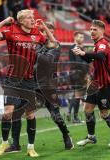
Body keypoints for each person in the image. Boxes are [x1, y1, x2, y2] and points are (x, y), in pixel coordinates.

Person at [0, 9, 56, 157]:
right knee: (8, 112)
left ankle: (31, 147)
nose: (33, 20)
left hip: (29, 81)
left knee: (30, 115)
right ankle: (4, 143)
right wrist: (5, 21)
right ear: (22, 20)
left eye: (33, 17)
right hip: (12, 80)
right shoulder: (11, 31)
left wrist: (44, 29)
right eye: (29, 18)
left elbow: (53, 44)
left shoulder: (37, 33)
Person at [72, 20, 110, 147]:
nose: (91, 31)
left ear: (102, 31)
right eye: (90, 29)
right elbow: (91, 58)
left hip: (105, 84)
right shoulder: (96, 45)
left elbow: (100, 56)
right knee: (87, 109)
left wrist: (84, 53)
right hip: (95, 83)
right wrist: (81, 54)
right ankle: (91, 137)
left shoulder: (103, 43)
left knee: (104, 114)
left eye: (95, 29)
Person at [35, 22, 74, 150]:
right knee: (25, 112)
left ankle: (66, 135)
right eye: (46, 31)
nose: (47, 33)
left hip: (48, 84)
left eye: (50, 31)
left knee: (55, 114)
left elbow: (47, 61)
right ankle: (17, 143)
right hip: (33, 83)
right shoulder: (38, 46)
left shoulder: (56, 47)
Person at [67, 31, 86, 123]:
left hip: (73, 73)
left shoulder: (74, 47)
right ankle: (75, 118)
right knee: (78, 95)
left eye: (83, 37)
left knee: (76, 94)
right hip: (78, 73)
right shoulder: (76, 48)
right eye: (80, 37)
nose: (82, 39)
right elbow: (79, 63)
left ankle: (69, 111)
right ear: (75, 37)